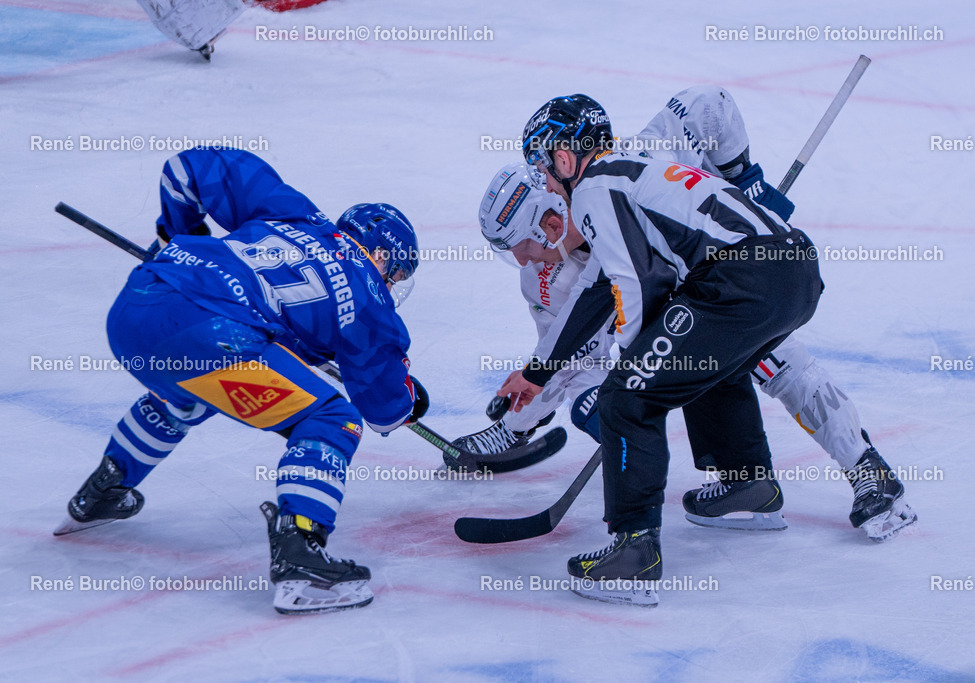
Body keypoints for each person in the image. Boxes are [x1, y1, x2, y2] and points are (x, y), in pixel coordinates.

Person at [464, 86, 916, 546]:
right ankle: (746, 483)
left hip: (730, 277)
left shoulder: (634, 161)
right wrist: (511, 429)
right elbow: (567, 362)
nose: (527, 263)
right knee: (696, 368)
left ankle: (864, 468)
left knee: (780, 364)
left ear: (554, 215)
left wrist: (745, 185)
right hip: (713, 297)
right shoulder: (549, 278)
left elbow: (709, 103)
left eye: (525, 246)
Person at [54, 148, 428, 615]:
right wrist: (412, 397)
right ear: (381, 257)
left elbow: (185, 170)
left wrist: (180, 235)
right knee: (333, 419)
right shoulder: (371, 298)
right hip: (216, 339)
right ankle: (301, 559)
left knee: (190, 394)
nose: (391, 286)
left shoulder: (297, 214)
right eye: (396, 275)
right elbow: (385, 410)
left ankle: (105, 489)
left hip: (135, 308)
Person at [496, 93, 824, 606]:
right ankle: (748, 484)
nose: (547, 177)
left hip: (740, 280)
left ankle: (633, 550)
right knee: (703, 367)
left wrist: (630, 372)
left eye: (542, 162)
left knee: (626, 400)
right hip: (793, 268)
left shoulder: (593, 187)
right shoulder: (638, 165)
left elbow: (637, 282)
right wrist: (539, 372)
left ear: (563, 157)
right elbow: (599, 288)